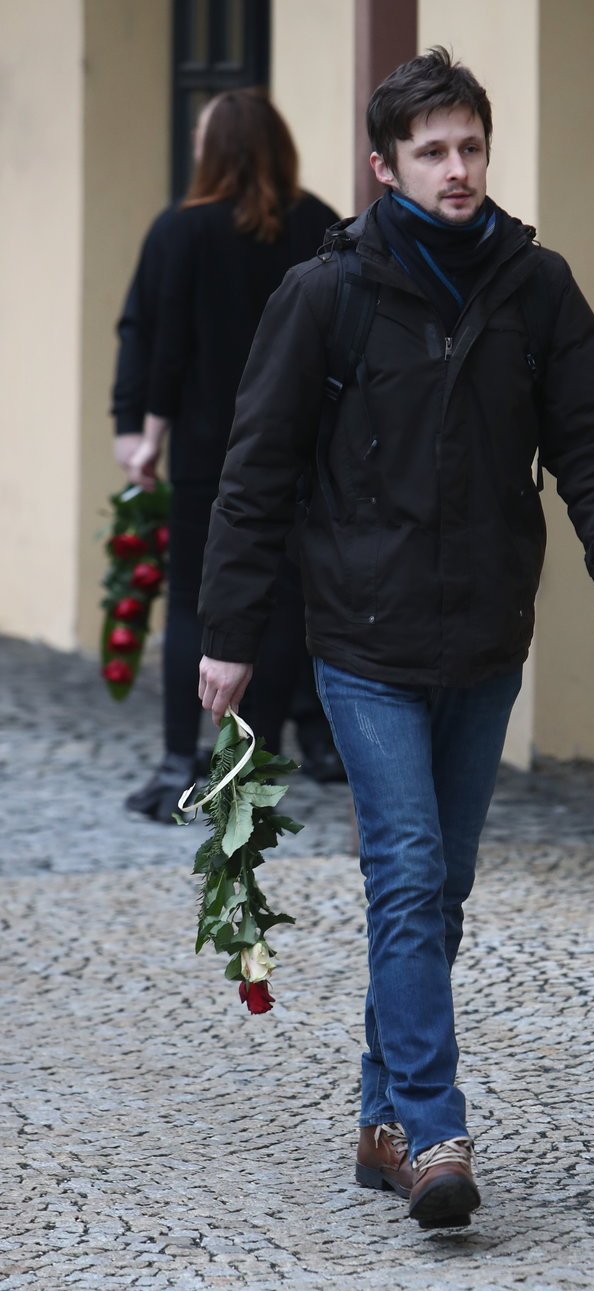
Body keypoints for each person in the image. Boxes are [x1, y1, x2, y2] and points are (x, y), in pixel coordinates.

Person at [196, 48, 594, 1230]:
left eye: (470, 148)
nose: (458, 172)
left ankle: (381, 1115)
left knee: (439, 891)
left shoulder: (533, 284)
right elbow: (256, 473)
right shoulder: (326, 294)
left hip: (487, 637)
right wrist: (230, 632)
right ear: (385, 167)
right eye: (433, 153)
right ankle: (436, 1131)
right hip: (361, 637)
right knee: (403, 874)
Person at [113, 88, 342, 821]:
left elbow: (155, 337)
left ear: (212, 152)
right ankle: (258, 757)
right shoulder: (321, 223)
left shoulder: (181, 230)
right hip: (305, 448)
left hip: (210, 449)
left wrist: (143, 431)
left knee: (195, 601)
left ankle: (185, 759)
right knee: (283, 604)